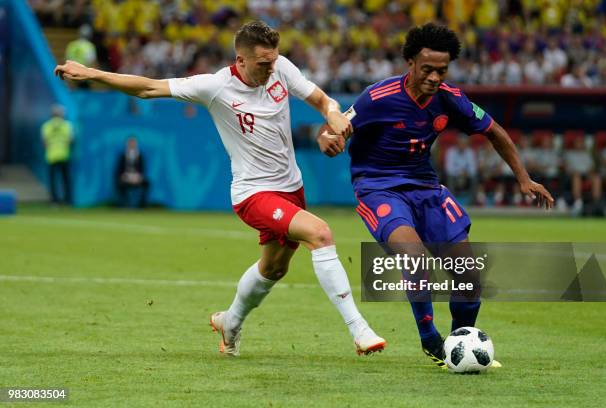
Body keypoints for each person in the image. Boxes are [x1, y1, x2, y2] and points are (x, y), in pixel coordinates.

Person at [54, 20, 385, 357]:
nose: (271, 69)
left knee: (273, 269)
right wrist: (93, 74)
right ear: (240, 60)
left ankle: (230, 321)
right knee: (321, 233)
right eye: (263, 63)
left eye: (274, 60)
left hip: (292, 188)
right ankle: (359, 329)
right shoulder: (214, 87)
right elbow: (148, 88)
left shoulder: (281, 67)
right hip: (253, 193)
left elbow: (321, 99)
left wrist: (333, 116)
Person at [317, 23, 553, 368]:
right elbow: (333, 129)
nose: (433, 77)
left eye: (441, 70)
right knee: (414, 257)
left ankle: (460, 345)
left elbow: (494, 131)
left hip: (426, 188)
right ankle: (430, 340)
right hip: (378, 187)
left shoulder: (450, 98)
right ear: (410, 62)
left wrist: (523, 178)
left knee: (468, 277)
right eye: (426, 69)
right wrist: (327, 140)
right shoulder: (378, 98)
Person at [41, 104, 73, 205]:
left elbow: (44, 142)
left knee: (53, 180)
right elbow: (70, 140)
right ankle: (67, 200)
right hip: (64, 155)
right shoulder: (67, 125)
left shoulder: (47, 125)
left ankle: (54, 201)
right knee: (65, 179)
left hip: (51, 156)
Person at [116, 137, 149, 208]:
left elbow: (142, 169)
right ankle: (124, 204)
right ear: (127, 144)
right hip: (125, 178)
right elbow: (119, 169)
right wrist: (124, 176)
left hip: (137, 178)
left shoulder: (140, 156)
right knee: (120, 184)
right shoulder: (122, 156)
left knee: (147, 183)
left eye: (133, 143)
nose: (132, 144)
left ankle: (142, 204)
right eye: (130, 143)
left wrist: (138, 177)